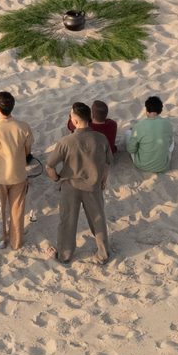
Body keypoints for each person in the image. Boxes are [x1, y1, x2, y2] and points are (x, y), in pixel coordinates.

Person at [46, 102, 111, 264]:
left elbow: (49, 166)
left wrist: (56, 178)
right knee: (98, 219)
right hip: (93, 185)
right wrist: (103, 180)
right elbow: (107, 162)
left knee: (67, 221)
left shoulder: (66, 142)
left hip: (71, 187)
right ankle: (103, 253)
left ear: (75, 121)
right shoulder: (101, 138)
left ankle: (64, 255)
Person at [0, 91, 34, 251]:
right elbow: (27, 151)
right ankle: (16, 243)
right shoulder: (24, 127)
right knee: (17, 211)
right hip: (19, 176)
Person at [126, 96, 175, 174]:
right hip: (163, 165)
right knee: (171, 138)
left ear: (146, 110)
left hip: (142, 165)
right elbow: (169, 144)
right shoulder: (168, 124)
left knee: (128, 133)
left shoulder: (139, 125)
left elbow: (131, 149)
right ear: (160, 110)